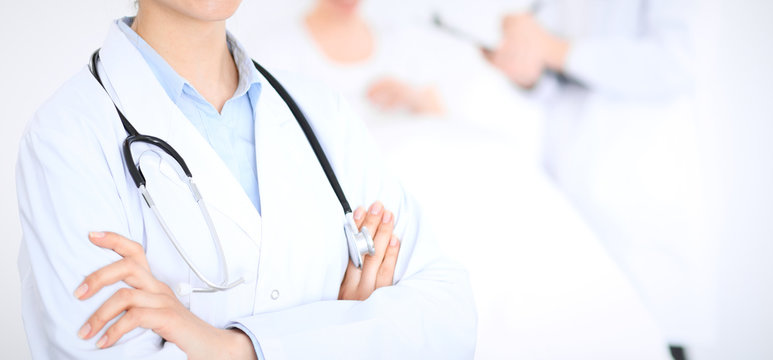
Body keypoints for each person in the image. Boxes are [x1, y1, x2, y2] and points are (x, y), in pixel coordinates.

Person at [15, 0, 476, 358]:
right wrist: (349, 331)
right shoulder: (67, 138)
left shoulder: (322, 113)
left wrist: (234, 349)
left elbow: (449, 319)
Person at [484, 0, 713, 351]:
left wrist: (549, 47)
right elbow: (560, 76)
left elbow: (676, 60)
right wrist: (526, 67)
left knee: (649, 332)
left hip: (640, 186)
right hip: (571, 177)